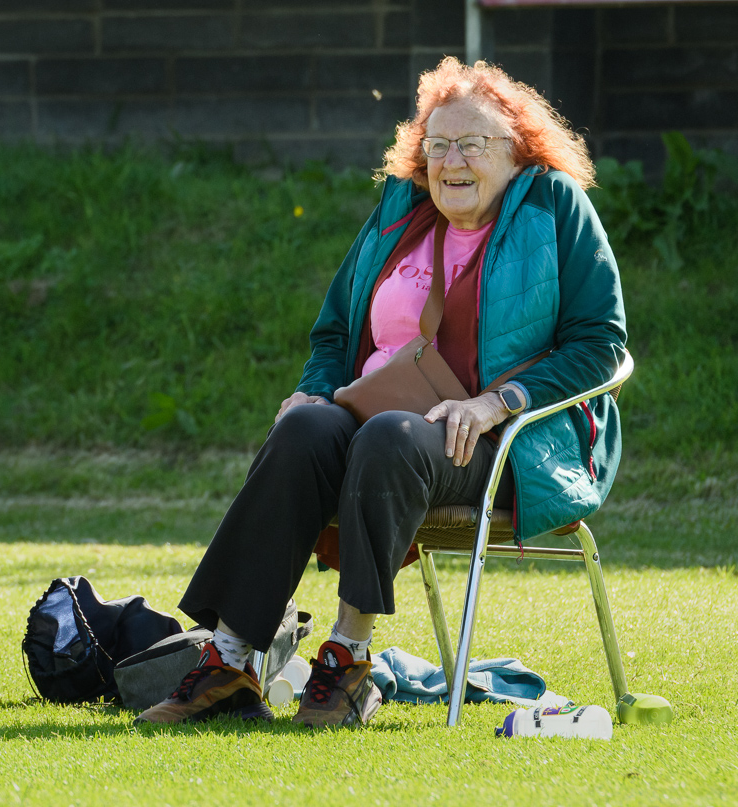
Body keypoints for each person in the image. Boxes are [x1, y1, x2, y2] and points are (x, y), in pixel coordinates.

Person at [135, 57, 627, 729]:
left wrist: (492, 404)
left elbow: (598, 342)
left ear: (516, 150)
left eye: (471, 145)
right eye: (437, 145)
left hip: (501, 444)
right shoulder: (400, 213)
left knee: (389, 434)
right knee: (303, 432)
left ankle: (349, 657)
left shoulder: (554, 207)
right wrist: (312, 392)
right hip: (381, 425)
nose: (450, 160)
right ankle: (231, 661)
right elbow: (335, 328)